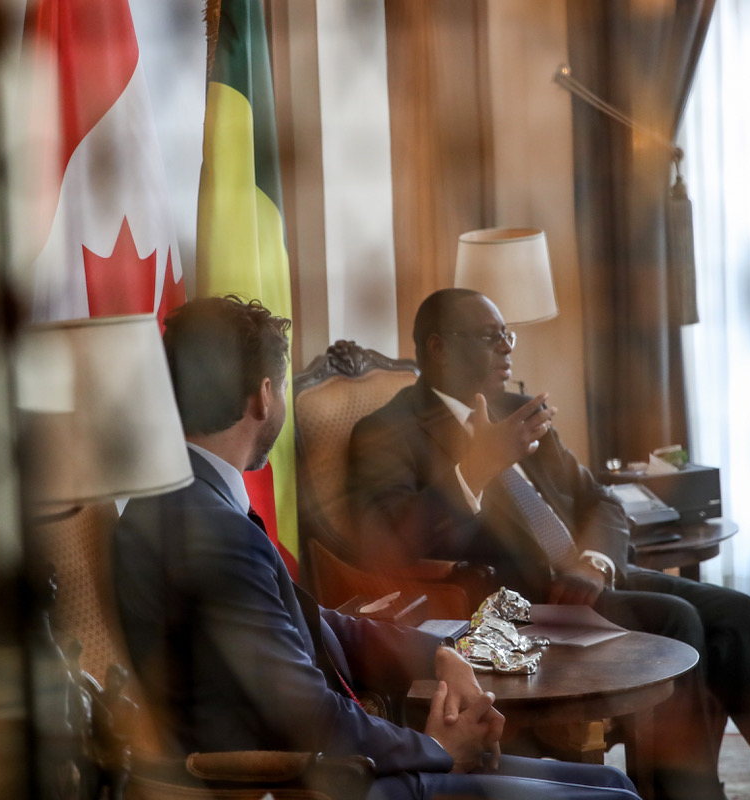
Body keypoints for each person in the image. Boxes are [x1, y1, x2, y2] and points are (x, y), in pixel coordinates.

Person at [110, 295, 642, 800]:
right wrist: (436, 750)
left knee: (612, 787)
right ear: (264, 396)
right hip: (317, 783)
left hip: (338, 767)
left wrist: (440, 654)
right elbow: (311, 717)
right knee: (611, 794)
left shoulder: (187, 499)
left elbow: (318, 621)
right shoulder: (210, 527)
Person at [348, 288, 750, 800]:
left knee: (740, 614)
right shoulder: (388, 432)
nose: (507, 348)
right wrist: (477, 467)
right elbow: (393, 537)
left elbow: (601, 502)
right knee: (681, 622)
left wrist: (596, 561)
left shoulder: (520, 411)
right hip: (520, 605)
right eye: (490, 336)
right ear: (439, 348)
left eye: (508, 335)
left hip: (590, 579)